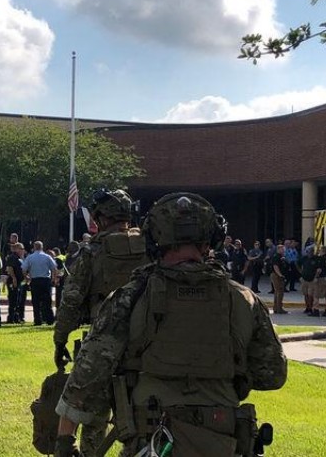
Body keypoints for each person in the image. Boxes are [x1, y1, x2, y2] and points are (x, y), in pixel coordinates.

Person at [54, 192, 287, 457]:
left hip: (153, 442)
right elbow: (273, 374)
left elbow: (87, 376)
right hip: (225, 440)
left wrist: (65, 441)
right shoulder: (244, 300)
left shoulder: (129, 298)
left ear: (154, 238)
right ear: (211, 239)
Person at [53, 188, 150, 456]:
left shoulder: (93, 250)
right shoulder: (152, 246)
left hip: (103, 342)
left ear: (101, 218)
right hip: (149, 343)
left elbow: (71, 301)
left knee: (93, 415)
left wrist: (59, 339)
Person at [22, 241, 57, 326]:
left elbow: (23, 268)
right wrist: (53, 278)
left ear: (34, 247)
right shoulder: (47, 257)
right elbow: (54, 268)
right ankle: (50, 319)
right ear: (42, 247)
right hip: (45, 280)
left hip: (35, 281)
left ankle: (37, 320)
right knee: (47, 301)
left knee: (36, 301)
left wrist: (26, 277)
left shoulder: (30, 257)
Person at [5, 242, 26, 324]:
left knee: (17, 300)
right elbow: (10, 268)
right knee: (13, 300)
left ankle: (16, 317)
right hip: (13, 281)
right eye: (21, 249)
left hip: (19, 281)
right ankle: (11, 318)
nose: (23, 251)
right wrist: (14, 278)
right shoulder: (12, 257)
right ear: (17, 249)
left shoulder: (19, 258)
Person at [270, 243, 289, 314]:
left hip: (278, 275)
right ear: (278, 249)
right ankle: (279, 308)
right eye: (282, 249)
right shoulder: (276, 257)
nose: (284, 250)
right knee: (279, 292)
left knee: (277, 292)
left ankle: (276, 308)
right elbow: (275, 267)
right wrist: (280, 275)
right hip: (276, 275)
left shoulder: (281, 256)